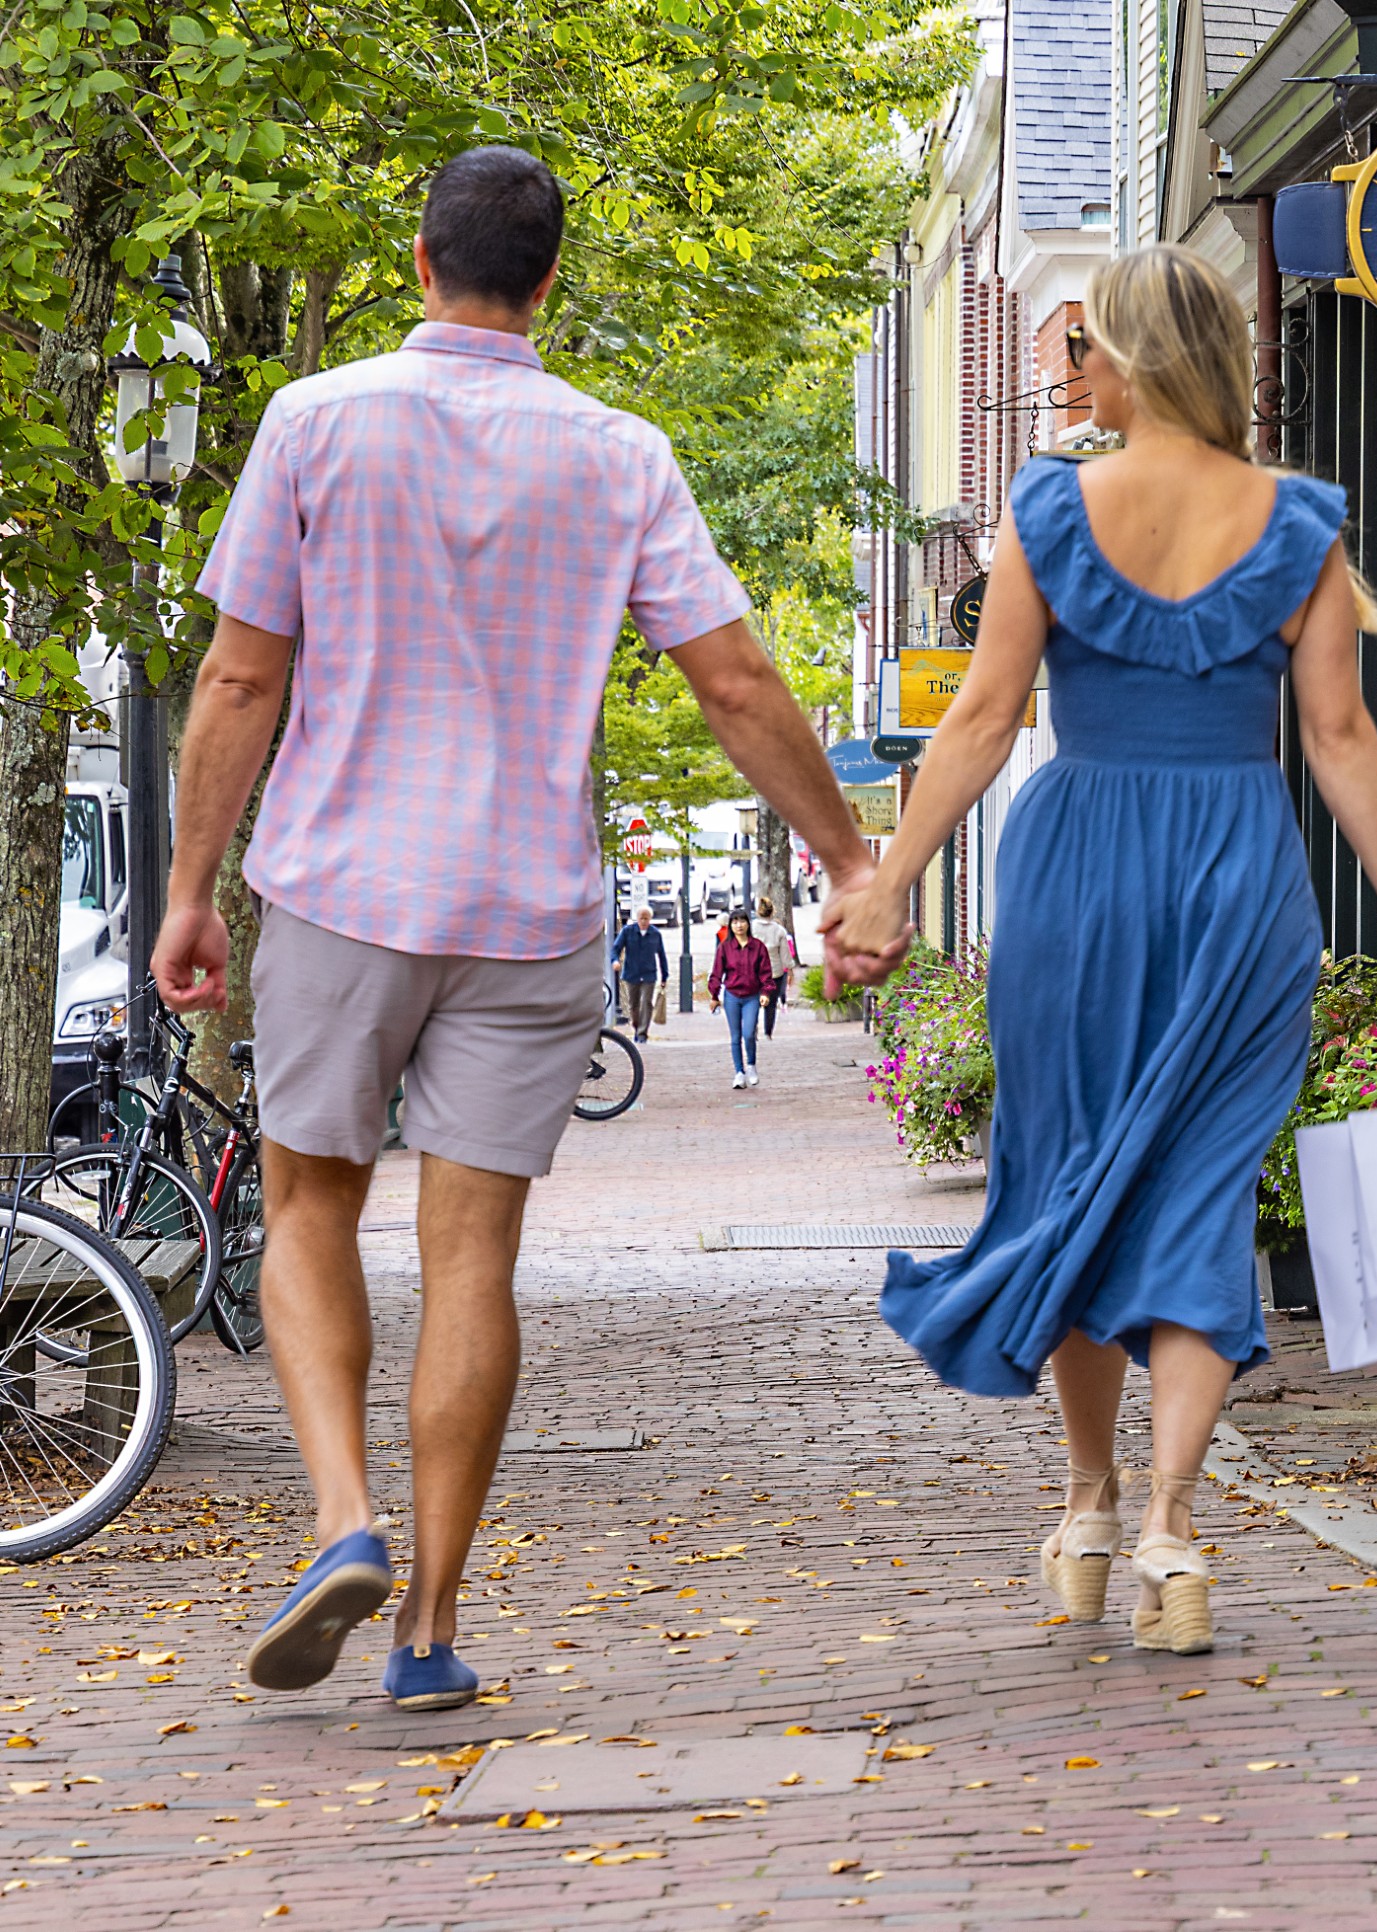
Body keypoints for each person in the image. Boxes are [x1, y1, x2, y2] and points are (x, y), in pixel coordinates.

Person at [153, 145, 891, 1715]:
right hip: (528, 904)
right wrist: (849, 857)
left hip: (343, 886)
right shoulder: (619, 452)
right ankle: (424, 1627)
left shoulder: (312, 420)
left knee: (305, 1210)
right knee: (473, 1254)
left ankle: (340, 1519)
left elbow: (237, 677)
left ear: (420, 260)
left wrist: (190, 885)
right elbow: (736, 682)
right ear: (551, 282)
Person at [832, 245, 1377, 1656]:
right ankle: (1175, 1531)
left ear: (1129, 360)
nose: (1069, 378)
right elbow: (1339, 738)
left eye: (1081, 353)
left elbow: (986, 717)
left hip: (1077, 877)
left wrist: (892, 882)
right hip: (1241, 877)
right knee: (1199, 1197)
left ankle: (1085, 1504)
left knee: (1068, 1183)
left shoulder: (1051, 511)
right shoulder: (1297, 522)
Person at [708, 908, 776, 1088]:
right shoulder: (725, 947)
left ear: (748, 923)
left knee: (748, 1033)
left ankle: (751, 1065)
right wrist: (714, 995)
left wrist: (765, 992)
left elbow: (765, 973)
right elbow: (716, 973)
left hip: (751, 996)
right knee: (735, 1036)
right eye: (735, 922)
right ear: (730, 925)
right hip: (732, 996)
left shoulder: (758, 946)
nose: (739, 925)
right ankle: (739, 1072)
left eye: (742, 921)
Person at [609, 903, 668, 1042]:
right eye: (641, 918)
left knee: (647, 1002)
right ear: (637, 918)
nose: (643, 921)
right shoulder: (627, 931)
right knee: (633, 1004)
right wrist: (615, 961)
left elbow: (661, 955)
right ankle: (637, 1026)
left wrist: (664, 975)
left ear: (650, 919)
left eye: (646, 919)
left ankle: (642, 1033)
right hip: (631, 973)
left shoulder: (655, 934)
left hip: (649, 974)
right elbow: (615, 948)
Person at [751, 894, 799, 1037]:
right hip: (774, 973)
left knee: (753, 1003)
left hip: (754, 972)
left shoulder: (751, 928)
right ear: (772, 912)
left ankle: (752, 1029)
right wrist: (790, 970)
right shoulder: (779, 930)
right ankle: (768, 1032)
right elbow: (785, 955)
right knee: (770, 1005)